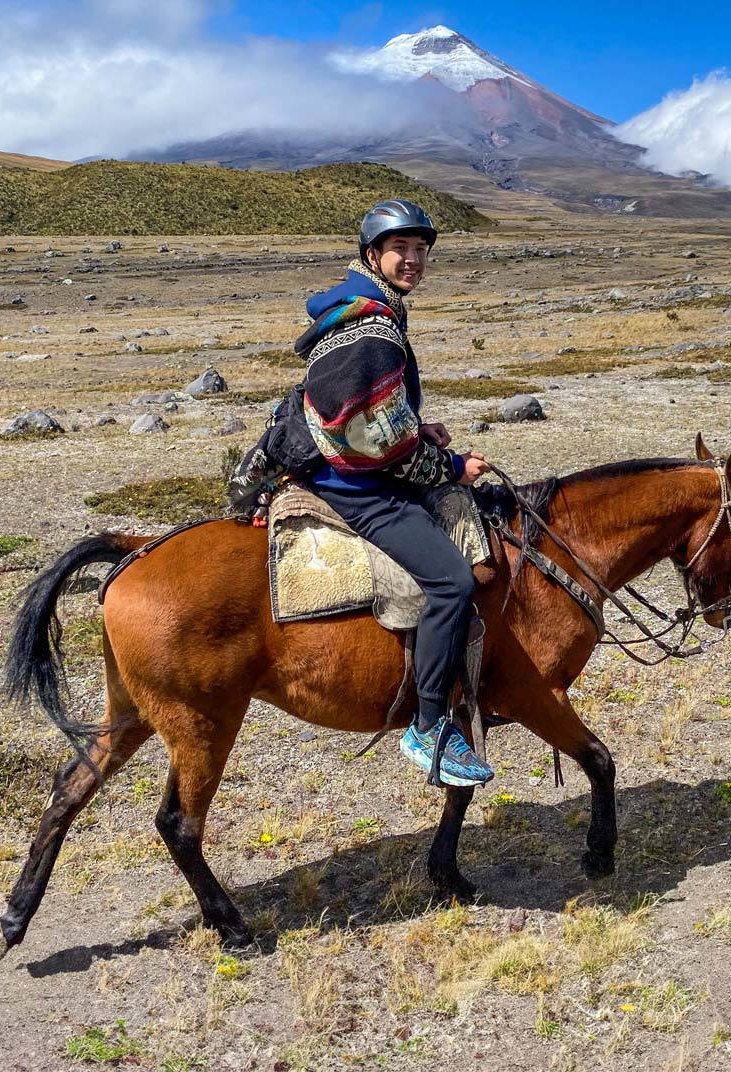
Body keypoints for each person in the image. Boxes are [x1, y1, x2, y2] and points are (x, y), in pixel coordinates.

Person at [276, 199, 495, 787]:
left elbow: (371, 410)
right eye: (402, 249)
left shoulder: (366, 310)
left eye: (421, 251)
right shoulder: (373, 330)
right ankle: (428, 726)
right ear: (373, 254)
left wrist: (416, 426)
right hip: (352, 482)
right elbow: (378, 444)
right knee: (451, 580)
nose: (414, 261)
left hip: (339, 459)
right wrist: (449, 465)